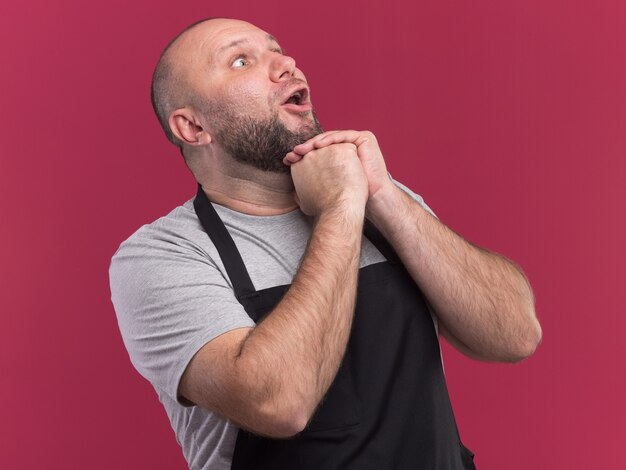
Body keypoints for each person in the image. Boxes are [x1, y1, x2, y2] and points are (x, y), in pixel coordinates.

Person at [109, 17, 542, 470]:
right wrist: (339, 209)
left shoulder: (383, 203)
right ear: (193, 128)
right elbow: (279, 403)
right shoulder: (164, 255)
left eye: (278, 50)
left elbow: (515, 335)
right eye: (242, 61)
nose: (286, 65)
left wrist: (384, 198)